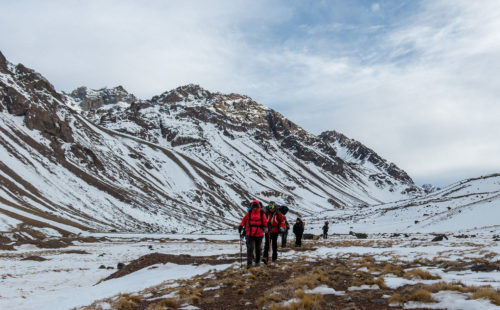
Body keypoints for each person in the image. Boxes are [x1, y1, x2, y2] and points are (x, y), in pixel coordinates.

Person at [239, 200, 268, 269]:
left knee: (258, 249)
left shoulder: (261, 213)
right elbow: (244, 220)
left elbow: (265, 222)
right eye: (253, 207)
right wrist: (241, 225)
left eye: (256, 207)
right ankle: (249, 264)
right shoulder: (249, 213)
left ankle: (257, 262)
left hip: (259, 234)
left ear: (258, 207)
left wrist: (267, 225)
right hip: (250, 233)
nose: (254, 209)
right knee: (250, 248)